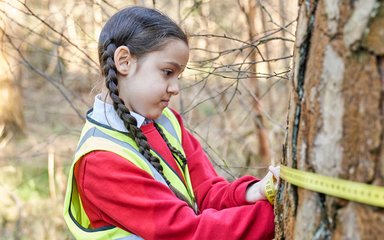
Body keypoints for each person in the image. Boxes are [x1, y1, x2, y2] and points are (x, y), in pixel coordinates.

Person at [63, 6, 280, 240]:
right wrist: (278, 215)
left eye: (178, 76)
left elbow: (207, 193)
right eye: (167, 72)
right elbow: (185, 232)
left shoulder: (167, 122)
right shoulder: (100, 161)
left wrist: (255, 191)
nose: (175, 88)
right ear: (124, 61)